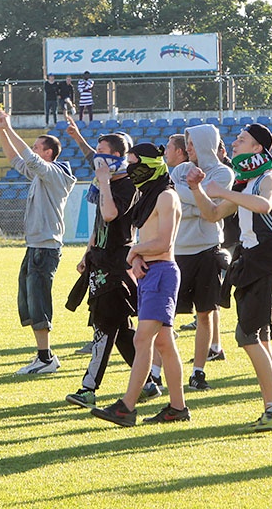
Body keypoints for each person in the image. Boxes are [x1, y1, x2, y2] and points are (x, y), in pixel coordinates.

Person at [187, 124, 272, 431]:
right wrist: (197, 189)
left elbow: (264, 205)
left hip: (267, 262)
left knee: (248, 336)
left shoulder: (269, 178)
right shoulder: (245, 183)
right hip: (249, 262)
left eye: (241, 140)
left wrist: (220, 190)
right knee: (260, 337)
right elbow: (213, 215)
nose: (233, 143)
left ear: (258, 148)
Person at [90, 143, 190, 427]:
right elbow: (146, 241)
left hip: (162, 273)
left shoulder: (167, 196)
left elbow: (164, 242)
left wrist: (133, 253)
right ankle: (177, 408)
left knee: (141, 339)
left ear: (149, 164)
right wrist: (136, 260)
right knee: (164, 344)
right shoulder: (148, 196)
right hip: (149, 273)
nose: (130, 168)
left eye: (134, 163)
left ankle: (126, 407)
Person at [0, 110, 76, 375]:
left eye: (38, 147)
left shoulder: (53, 174)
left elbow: (27, 158)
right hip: (35, 247)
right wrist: (1, 131)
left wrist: (10, 126)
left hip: (45, 248)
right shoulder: (42, 175)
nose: (33, 150)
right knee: (30, 302)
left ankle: (46, 358)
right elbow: (16, 159)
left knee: (39, 302)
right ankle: (43, 355)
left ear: (49, 153)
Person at [63, 130, 140, 409]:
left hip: (117, 267)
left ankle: (88, 387)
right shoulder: (105, 182)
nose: (97, 159)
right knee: (119, 328)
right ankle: (150, 381)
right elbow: (100, 225)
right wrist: (87, 252)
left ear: (117, 157)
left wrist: (105, 182)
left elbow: (110, 214)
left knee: (104, 328)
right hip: (100, 261)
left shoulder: (127, 186)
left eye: (102, 153)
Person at [169, 124, 234, 392]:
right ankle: (156, 374)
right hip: (178, 251)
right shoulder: (180, 170)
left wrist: (194, 200)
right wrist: (200, 199)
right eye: (187, 143)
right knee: (166, 318)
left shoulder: (223, 172)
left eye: (193, 143)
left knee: (205, 314)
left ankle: (198, 372)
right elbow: (188, 199)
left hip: (207, 250)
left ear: (206, 143)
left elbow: (212, 209)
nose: (189, 148)